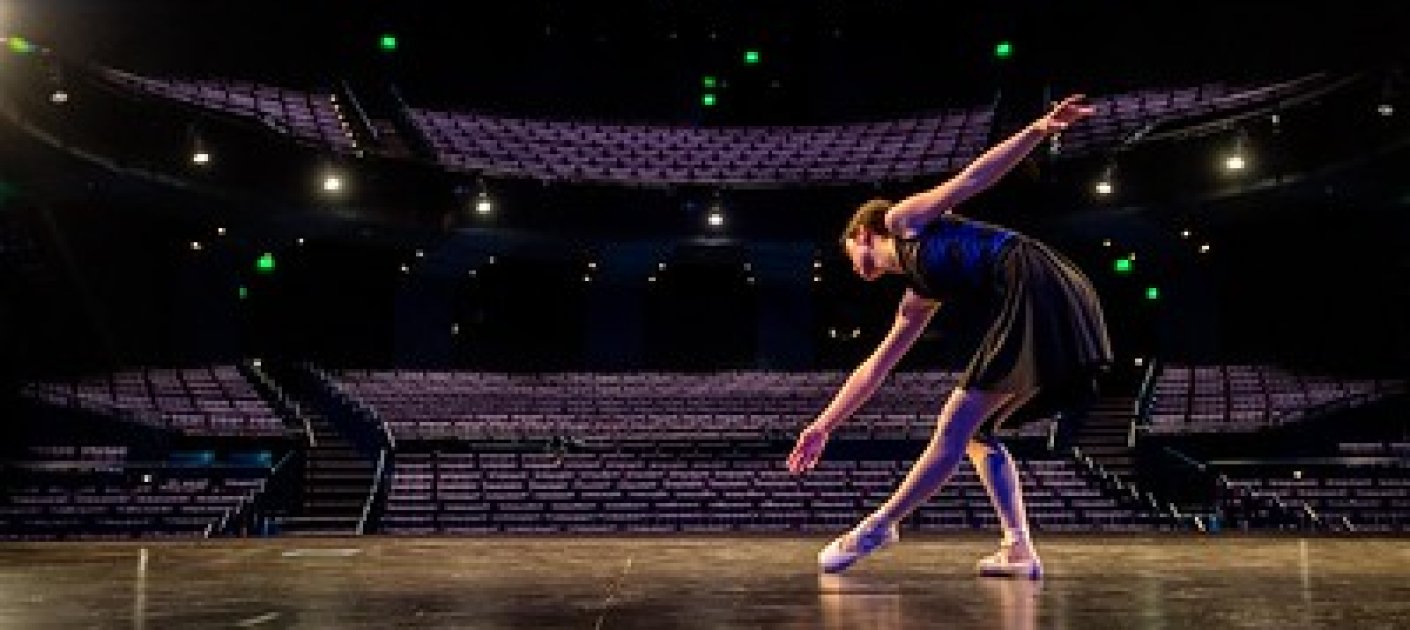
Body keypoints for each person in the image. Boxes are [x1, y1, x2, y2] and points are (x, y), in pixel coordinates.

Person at [786, 94, 1113, 579]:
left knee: (954, 421)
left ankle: (879, 526)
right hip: (1053, 289)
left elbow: (972, 178)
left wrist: (1041, 129)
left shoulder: (902, 222)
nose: (851, 263)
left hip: (1033, 277)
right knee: (977, 433)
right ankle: (1018, 547)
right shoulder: (918, 295)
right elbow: (875, 367)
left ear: (863, 233)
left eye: (848, 249)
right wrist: (823, 426)